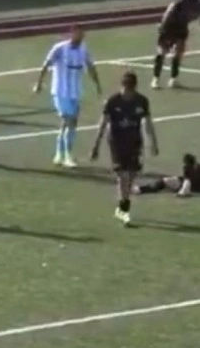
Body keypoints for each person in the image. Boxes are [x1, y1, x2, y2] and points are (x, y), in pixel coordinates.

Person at [90, 71, 158, 227]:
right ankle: (124, 209)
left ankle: (122, 204)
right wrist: (96, 145)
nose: (127, 92)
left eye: (130, 89)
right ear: (122, 86)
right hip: (117, 143)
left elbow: (147, 123)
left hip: (134, 142)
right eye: (126, 88)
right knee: (123, 175)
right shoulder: (112, 102)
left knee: (132, 175)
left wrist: (153, 143)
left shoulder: (142, 101)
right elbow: (103, 123)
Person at [34, 25, 102, 168]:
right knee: (69, 121)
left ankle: (59, 153)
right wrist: (39, 83)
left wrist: (97, 84)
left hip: (75, 92)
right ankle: (67, 156)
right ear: (72, 34)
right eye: (79, 34)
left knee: (68, 123)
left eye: (82, 34)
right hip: (60, 92)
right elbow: (46, 64)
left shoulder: (83, 49)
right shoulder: (59, 48)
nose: (81, 37)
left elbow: (90, 66)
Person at [152, 0, 200, 89]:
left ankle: (173, 79)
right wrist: (163, 27)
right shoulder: (185, 1)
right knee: (162, 53)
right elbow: (170, 11)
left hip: (181, 27)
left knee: (178, 52)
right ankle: (155, 79)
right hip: (169, 26)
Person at [134, 153, 200, 197]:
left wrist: (183, 190)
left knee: (163, 182)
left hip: (188, 185)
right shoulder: (189, 168)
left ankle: (140, 189)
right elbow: (187, 179)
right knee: (163, 182)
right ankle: (141, 189)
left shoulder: (190, 168)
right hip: (184, 183)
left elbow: (188, 181)